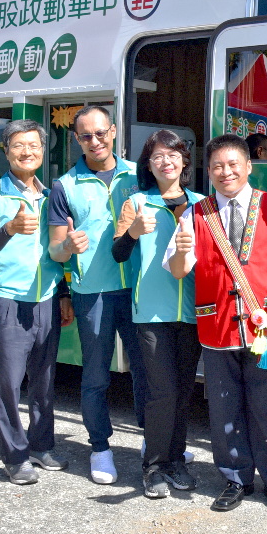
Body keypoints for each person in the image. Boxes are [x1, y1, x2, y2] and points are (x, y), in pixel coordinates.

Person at [167, 134, 267, 512]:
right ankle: (234, 478)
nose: (225, 172)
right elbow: (179, 270)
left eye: (232, 165)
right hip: (218, 329)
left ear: (248, 167)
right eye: (216, 167)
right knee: (224, 409)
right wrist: (181, 253)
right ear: (208, 172)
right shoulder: (196, 214)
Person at [48, 105, 147, 485]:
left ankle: (150, 441)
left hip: (139, 289)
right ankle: (101, 448)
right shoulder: (64, 186)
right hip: (93, 293)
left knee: (146, 372)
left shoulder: (138, 173)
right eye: (86, 136)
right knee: (95, 376)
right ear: (76, 139)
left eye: (101, 133)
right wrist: (68, 247)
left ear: (114, 131)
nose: (95, 141)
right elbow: (55, 251)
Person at [0, 119, 73, 485]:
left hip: (46, 300)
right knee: (8, 385)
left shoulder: (51, 196)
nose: (27, 151)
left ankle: (42, 445)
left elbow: (56, 251)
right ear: (5, 151)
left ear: (43, 151)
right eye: (18, 145)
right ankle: (14, 457)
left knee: (44, 382)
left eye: (34, 145)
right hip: (9, 302)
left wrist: (62, 294)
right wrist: (9, 229)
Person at [112, 130, 204, 500]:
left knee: (183, 392)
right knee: (160, 392)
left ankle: (176, 459)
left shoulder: (203, 204)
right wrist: (133, 232)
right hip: (150, 312)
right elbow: (117, 253)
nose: (166, 161)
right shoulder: (136, 203)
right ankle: (153, 467)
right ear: (148, 165)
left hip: (195, 312)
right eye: (156, 156)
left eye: (173, 154)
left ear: (184, 161)